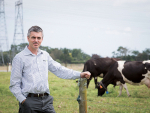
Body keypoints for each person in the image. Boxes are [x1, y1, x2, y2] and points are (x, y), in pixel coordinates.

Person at [9, 26, 91, 113]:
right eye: (33, 37)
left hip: (46, 101)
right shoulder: (19, 58)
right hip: (29, 102)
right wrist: (23, 101)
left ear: (42, 39)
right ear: (28, 38)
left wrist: (80, 74)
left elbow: (59, 70)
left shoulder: (45, 55)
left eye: (38, 38)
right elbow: (14, 84)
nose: (36, 40)